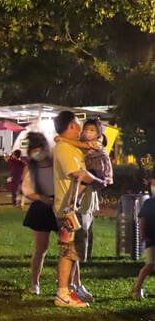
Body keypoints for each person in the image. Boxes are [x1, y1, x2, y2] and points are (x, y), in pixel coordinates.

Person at [52, 110, 102, 307]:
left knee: (74, 252)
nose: (81, 129)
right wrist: (99, 181)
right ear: (71, 126)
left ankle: (70, 289)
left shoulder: (69, 146)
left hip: (76, 208)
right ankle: (62, 294)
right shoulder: (63, 148)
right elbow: (75, 173)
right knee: (68, 251)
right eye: (78, 124)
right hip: (68, 209)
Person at [20, 133, 56, 295]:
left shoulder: (56, 162)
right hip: (41, 208)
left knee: (68, 247)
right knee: (41, 248)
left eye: (39, 149)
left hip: (59, 206)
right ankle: (35, 283)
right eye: (34, 150)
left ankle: (71, 283)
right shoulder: (31, 168)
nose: (37, 153)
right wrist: (42, 198)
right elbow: (27, 190)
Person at [131, 181, 155, 300]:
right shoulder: (149, 203)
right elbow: (142, 220)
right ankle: (136, 289)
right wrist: (143, 234)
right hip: (151, 238)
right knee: (149, 265)